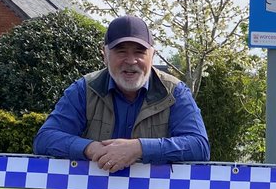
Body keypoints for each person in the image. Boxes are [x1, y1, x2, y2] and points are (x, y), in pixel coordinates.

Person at [33, 14, 209, 170]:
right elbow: (45, 138)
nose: (131, 61)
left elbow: (199, 146)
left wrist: (139, 148)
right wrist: (91, 149)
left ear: (152, 56)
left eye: (140, 52)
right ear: (105, 55)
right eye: (121, 51)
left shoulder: (175, 92)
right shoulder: (83, 89)